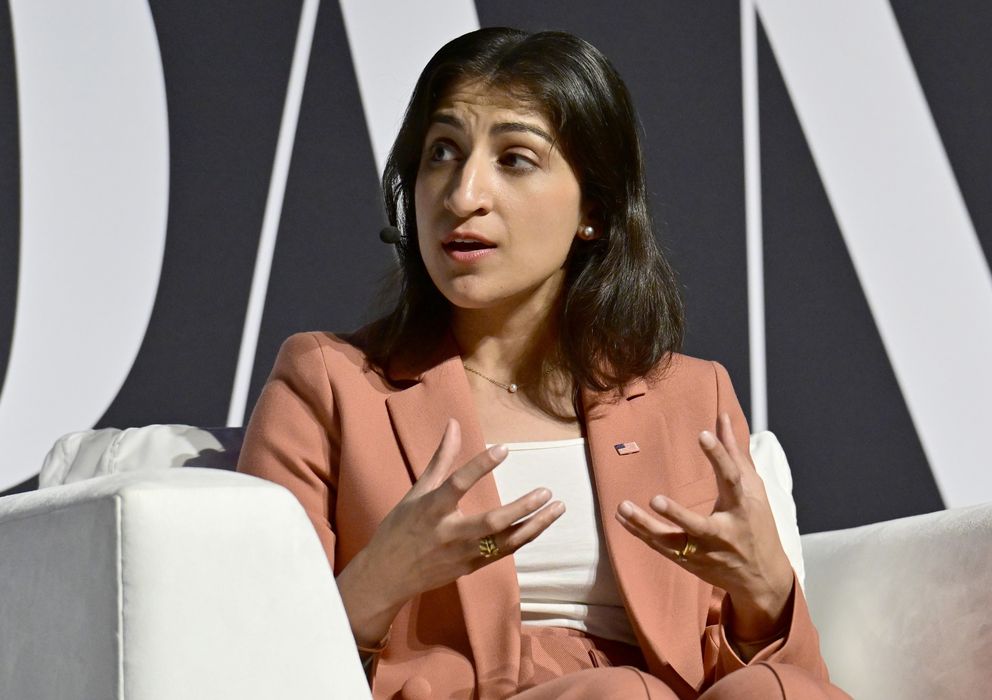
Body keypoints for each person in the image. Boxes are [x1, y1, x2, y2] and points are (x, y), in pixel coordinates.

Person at [239, 27, 851, 700]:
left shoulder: (693, 395)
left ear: (592, 207)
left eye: (514, 159)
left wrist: (764, 591)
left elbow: (786, 677)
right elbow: (252, 662)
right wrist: (380, 578)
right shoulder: (327, 380)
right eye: (441, 152)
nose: (462, 192)